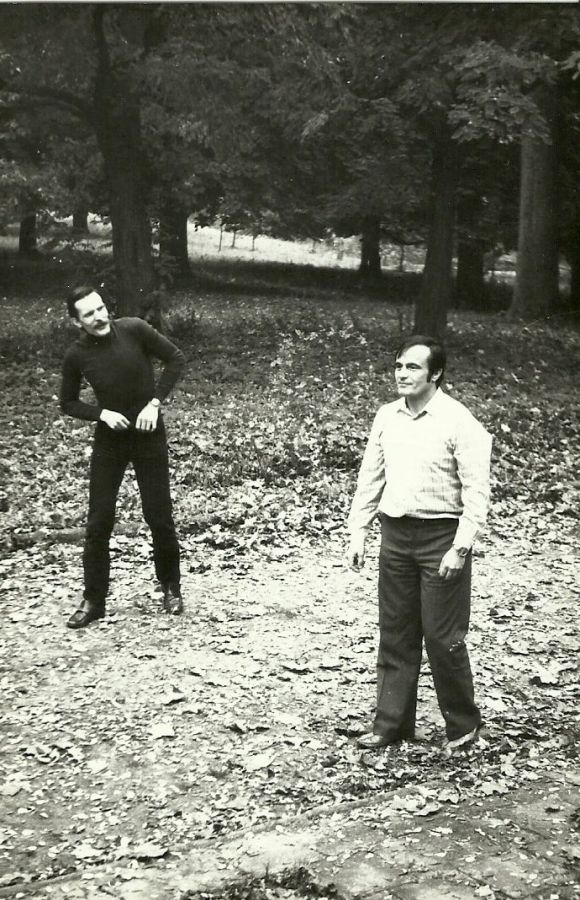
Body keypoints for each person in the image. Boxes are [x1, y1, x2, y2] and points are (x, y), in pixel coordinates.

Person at [346, 335, 492, 754]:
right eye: (398, 366)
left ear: (436, 374)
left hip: (440, 539)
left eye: (413, 367)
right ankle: (391, 724)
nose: (402, 374)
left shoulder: (459, 421)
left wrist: (460, 547)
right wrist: (358, 530)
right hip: (395, 536)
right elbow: (371, 477)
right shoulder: (387, 416)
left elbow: (477, 492)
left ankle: (463, 728)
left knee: (443, 638)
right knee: (395, 633)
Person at [60, 286, 185, 629]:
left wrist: (154, 403)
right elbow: (67, 402)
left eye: (100, 308)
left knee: (158, 515)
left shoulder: (134, 329)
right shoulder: (76, 354)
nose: (99, 317)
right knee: (99, 521)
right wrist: (101, 414)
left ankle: (171, 588)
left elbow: (176, 358)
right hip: (110, 441)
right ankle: (94, 599)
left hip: (148, 435)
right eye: (89, 314)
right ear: (77, 322)